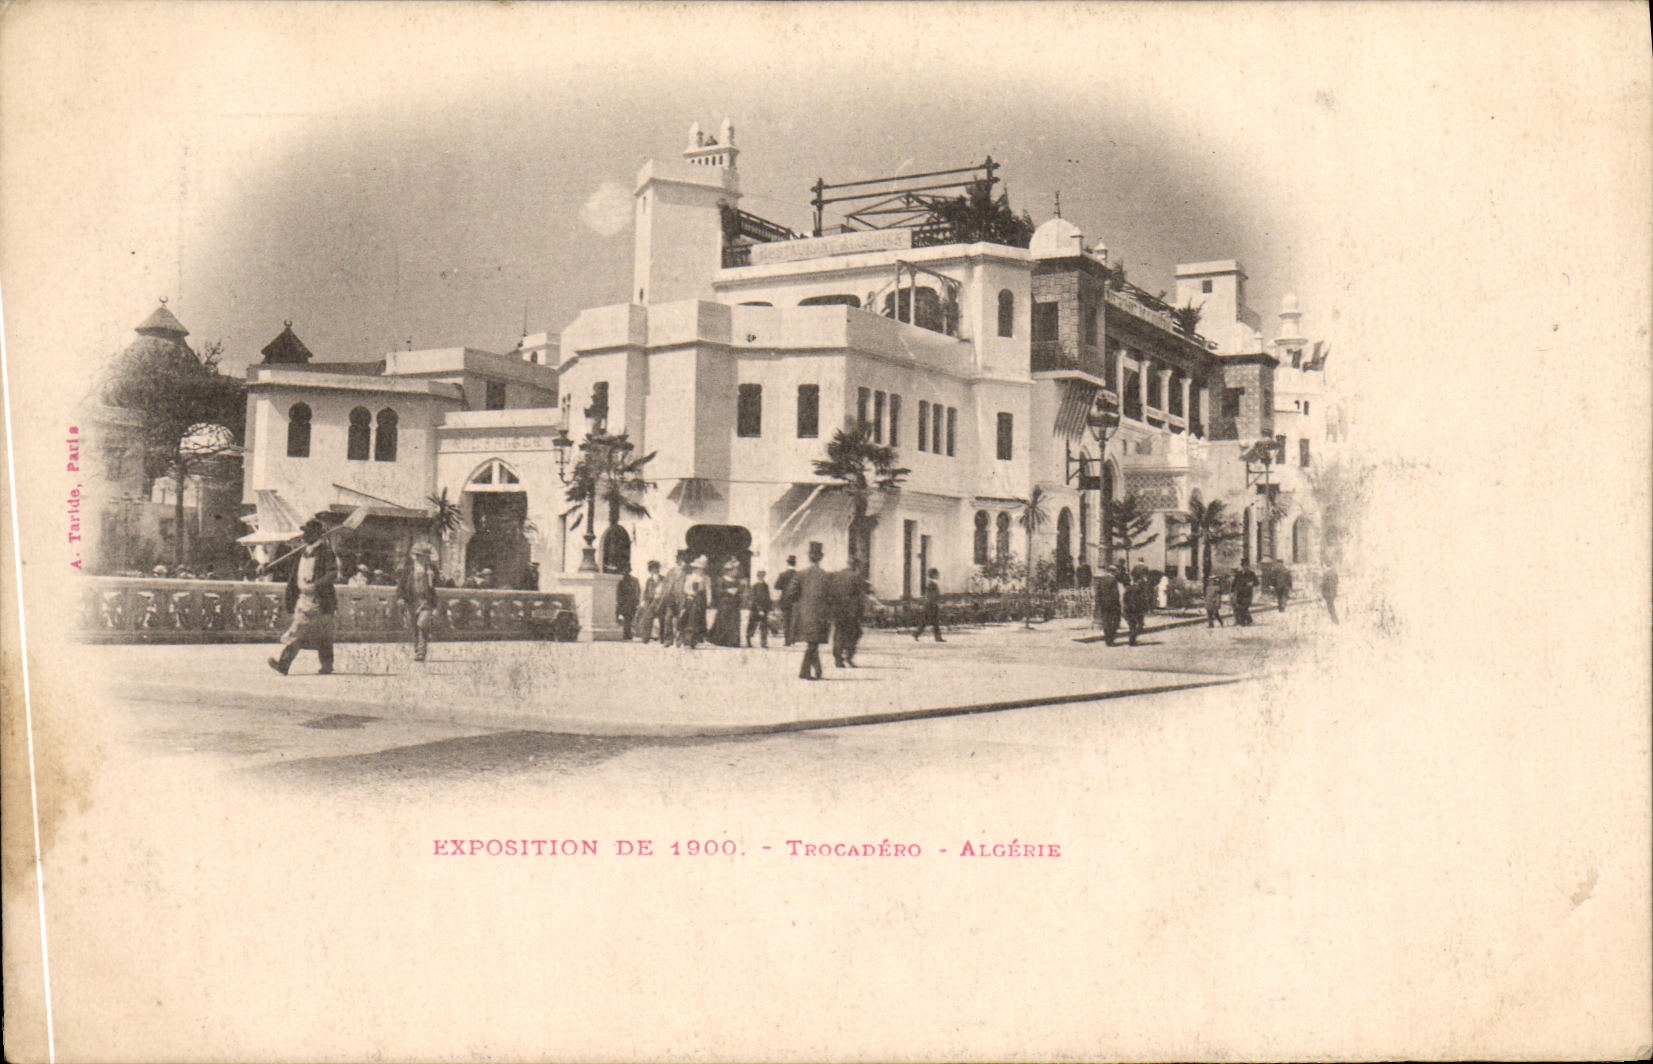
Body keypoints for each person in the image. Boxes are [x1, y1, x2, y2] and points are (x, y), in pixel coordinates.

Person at [269, 517, 339, 676]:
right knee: (298, 631)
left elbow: (333, 573)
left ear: (316, 534)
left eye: (307, 533)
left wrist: (316, 585)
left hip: (321, 600)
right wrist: (266, 567)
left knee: (323, 634)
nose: (304, 536)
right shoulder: (301, 552)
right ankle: (284, 664)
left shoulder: (326, 552)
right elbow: (290, 572)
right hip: (304, 600)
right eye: (304, 533)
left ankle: (326, 666)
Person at [794, 542, 834, 679]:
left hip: (804, 614)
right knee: (813, 643)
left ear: (809, 557)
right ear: (821, 557)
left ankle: (817, 670)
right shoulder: (826, 576)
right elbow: (831, 597)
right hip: (821, 615)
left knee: (812, 642)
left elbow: (791, 594)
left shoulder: (800, 574)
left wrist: (802, 603)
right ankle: (804, 671)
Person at [398, 541, 439, 663]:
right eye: (421, 556)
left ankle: (421, 651)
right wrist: (400, 598)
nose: (424, 559)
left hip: (425, 601)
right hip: (412, 600)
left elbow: (436, 586)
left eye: (426, 557)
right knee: (413, 626)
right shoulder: (408, 570)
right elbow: (401, 586)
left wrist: (432, 576)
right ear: (416, 556)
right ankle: (417, 649)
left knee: (422, 624)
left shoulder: (431, 570)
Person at [831, 566, 867, 667]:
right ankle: (849, 656)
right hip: (851, 612)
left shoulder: (837, 576)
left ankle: (838, 659)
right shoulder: (856, 576)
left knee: (839, 634)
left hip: (838, 611)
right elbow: (861, 595)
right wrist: (861, 613)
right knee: (854, 633)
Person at [708, 558, 744, 647]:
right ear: (728, 571)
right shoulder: (721, 580)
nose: (736, 572)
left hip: (734, 604)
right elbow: (717, 591)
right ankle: (722, 640)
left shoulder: (736, 581)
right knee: (724, 621)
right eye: (734, 570)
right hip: (724, 603)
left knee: (734, 621)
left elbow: (740, 591)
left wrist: (738, 591)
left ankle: (733, 641)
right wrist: (727, 591)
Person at [678, 556, 710, 648]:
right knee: (690, 618)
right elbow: (685, 588)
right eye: (698, 569)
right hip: (691, 599)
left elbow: (708, 590)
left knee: (700, 619)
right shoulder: (690, 577)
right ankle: (687, 639)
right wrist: (692, 593)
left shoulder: (705, 578)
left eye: (701, 569)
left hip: (701, 600)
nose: (700, 570)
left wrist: (708, 599)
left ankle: (697, 640)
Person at [1094, 564, 1123, 646]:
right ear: (1113, 572)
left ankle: (1107, 639)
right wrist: (1117, 604)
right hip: (1112, 604)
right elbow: (1115, 593)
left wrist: (1099, 603)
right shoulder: (1113, 580)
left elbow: (1098, 593)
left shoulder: (1102, 579)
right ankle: (1111, 639)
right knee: (1115, 621)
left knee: (1106, 622)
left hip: (1103, 604)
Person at [913, 566, 944, 642]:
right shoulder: (932, 584)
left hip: (931, 605)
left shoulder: (932, 584)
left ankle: (917, 634)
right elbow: (931, 596)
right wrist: (935, 602)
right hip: (931, 605)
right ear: (933, 575)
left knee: (933, 622)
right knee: (930, 622)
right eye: (937, 574)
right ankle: (917, 634)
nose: (938, 576)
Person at [636, 560, 665, 643]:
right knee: (647, 618)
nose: (655, 570)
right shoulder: (649, 580)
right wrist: (644, 601)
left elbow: (666, 590)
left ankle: (662, 638)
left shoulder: (663, 579)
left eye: (656, 568)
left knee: (662, 619)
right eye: (652, 569)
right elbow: (646, 592)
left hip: (661, 602)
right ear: (650, 570)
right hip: (651, 602)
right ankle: (646, 638)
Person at [774, 555, 799, 646]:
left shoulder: (783, 575)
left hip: (785, 601)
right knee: (794, 620)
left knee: (786, 621)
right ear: (795, 564)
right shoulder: (798, 575)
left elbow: (776, 586)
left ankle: (787, 641)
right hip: (795, 600)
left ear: (787, 563)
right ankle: (793, 640)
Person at [745, 568, 772, 648]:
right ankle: (748, 641)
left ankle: (763, 643)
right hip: (755, 610)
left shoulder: (766, 586)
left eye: (763, 576)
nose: (762, 577)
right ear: (758, 577)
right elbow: (754, 598)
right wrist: (759, 609)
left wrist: (769, 608)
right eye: (760, 576)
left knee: (764, 626)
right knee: (752, 626)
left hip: (764, 609)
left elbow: (768, 598)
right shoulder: (755, 586)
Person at [1122, 571, 1150, 646]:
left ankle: (1132, 640)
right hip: (1136, 609)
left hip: (1129, 609)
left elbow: (1125, 598)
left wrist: (1126, 606)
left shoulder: (1129, 588)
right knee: (1139, 625)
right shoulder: (1139, 588)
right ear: (1138, 580)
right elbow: (1142, 599)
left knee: (1133, 625)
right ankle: (1132, 639)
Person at [614, 563, 641, 640]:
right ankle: (622, 634)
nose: (625, 571)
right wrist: (618, 601)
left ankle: (627, 635)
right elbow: (617, 592)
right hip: (621, 603)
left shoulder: (635, 580)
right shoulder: (619, 581)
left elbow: (638, 591)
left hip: (631, 603)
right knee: (618, 619)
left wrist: (637, 601)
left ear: (629, 570)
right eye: (624, 570)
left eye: (627, 569)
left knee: (628, 619)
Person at [1231, 559, 1260, 626]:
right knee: (1240, 607)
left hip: (1247, 593)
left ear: (1248, 566)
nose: (1245, 567)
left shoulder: (1251, 573)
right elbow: (1234, 583)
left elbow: (1257, 582)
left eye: (1247, 565)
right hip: (1239, 593)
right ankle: (1248, 620)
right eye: (1244, 565)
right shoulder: (1238, 574)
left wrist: (1252, 583)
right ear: (1242, 566)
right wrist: (1232, 591)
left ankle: (1244, 622)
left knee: (1244, 607)